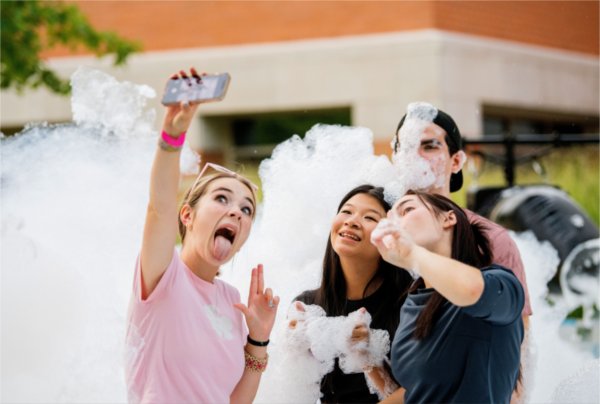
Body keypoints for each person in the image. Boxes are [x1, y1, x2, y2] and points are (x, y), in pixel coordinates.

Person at [124, 68, 279, 403]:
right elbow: (159, 207)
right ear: (188, 215)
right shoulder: (164, 273)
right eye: (221, 198)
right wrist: (171, 137)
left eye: (247, 208)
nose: (236, 211)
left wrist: (258, 339)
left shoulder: (232, 298)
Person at [370, 190, 525, 403]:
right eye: (388, 219)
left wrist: (411, 254)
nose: (394, 222)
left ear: (448, 218)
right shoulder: (412, 303)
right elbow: (417, 392)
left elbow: (470, 290)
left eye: (407, 209)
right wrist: (366, 360)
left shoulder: (501, 283)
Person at [391, 102, 532, 321]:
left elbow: (519, 334)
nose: (414, 156)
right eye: (406, 147)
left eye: (429, 147)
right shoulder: (378, 227)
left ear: (456, 161)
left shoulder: (490, 238)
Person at [293, 185, 414, 403]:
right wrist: (292, 348)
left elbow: (423, 393)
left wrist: (369, 359)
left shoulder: (410, 304)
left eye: (369, 217)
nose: (352, 221)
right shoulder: (308, 306)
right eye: (346, 211)